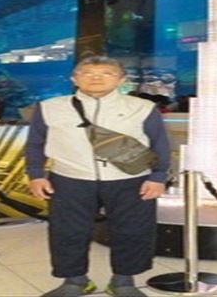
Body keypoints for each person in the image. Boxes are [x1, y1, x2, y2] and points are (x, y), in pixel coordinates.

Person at [24, 56, 170, 297]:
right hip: (69, 178)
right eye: (88, 73)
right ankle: (75, 281)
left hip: (130, 180)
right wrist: (35, 174)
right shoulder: (49, 107)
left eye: (106, 73)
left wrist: (158, 176)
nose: (96, 78)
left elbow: (160, 143)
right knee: (67, 231)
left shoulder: (142, 107)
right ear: (74, 79)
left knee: (133, 230)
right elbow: (35, 144)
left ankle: (123, 281)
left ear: (121, 80)